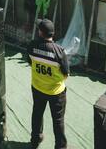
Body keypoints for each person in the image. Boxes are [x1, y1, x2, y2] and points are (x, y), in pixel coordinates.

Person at [26, 19, 69, 149]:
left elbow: (30, 62)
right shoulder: (59, 51)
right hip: (56, 92)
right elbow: (66, 73)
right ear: (52, 33)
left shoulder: (32, 46)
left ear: (40, 32)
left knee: (37, 113)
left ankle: (35, 139)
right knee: (58, 120)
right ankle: (60, 146)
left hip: (38, 88)